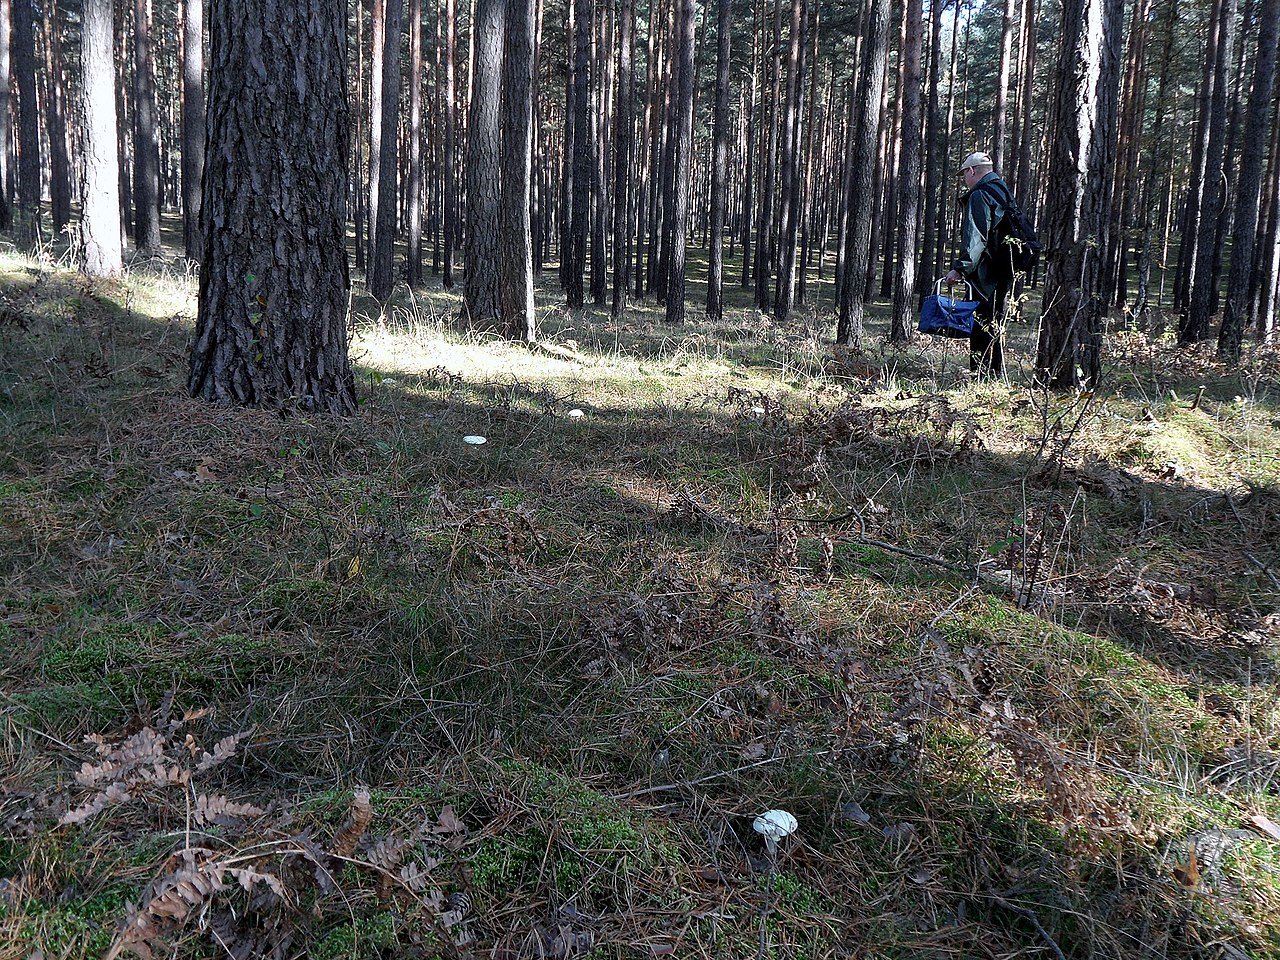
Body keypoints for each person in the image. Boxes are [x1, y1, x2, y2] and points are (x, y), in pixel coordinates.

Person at [945, 151, 1016, 377]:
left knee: (981, 324)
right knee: (994, 324)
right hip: (1004, 270)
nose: (965, 179)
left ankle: (983, 377)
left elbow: (977, 237)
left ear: (972, 171)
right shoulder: (1002, 191)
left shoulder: (980, 195)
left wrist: (960, 268)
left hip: (985, 274)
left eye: (964, 174)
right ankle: (993, 375)